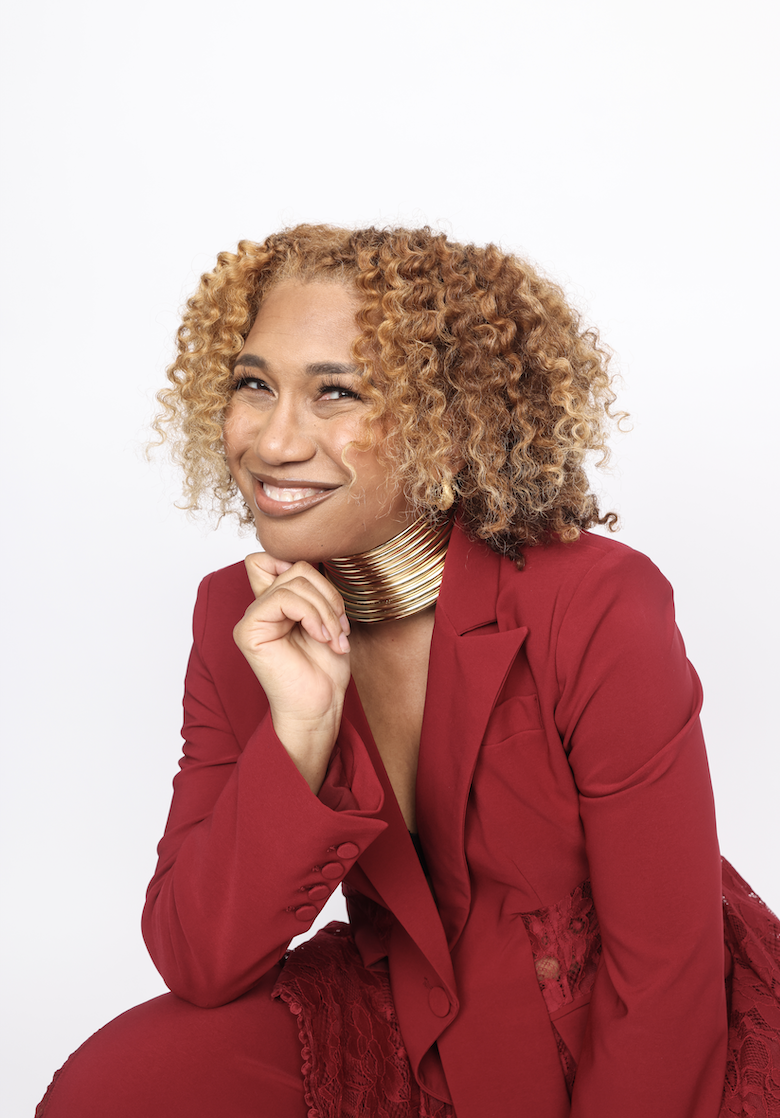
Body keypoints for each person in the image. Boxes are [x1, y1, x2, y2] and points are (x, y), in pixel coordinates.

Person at [36, 225, 779, 1118]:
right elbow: (201, 958)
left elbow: (666, 978)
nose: (274, 442)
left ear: (449, 419)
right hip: (415, 1022)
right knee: (121, 1089)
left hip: (644, 1039)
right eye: (253, 384)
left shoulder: (596, 599)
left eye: (335, 393)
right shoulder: (236, 618)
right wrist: (300, 733)